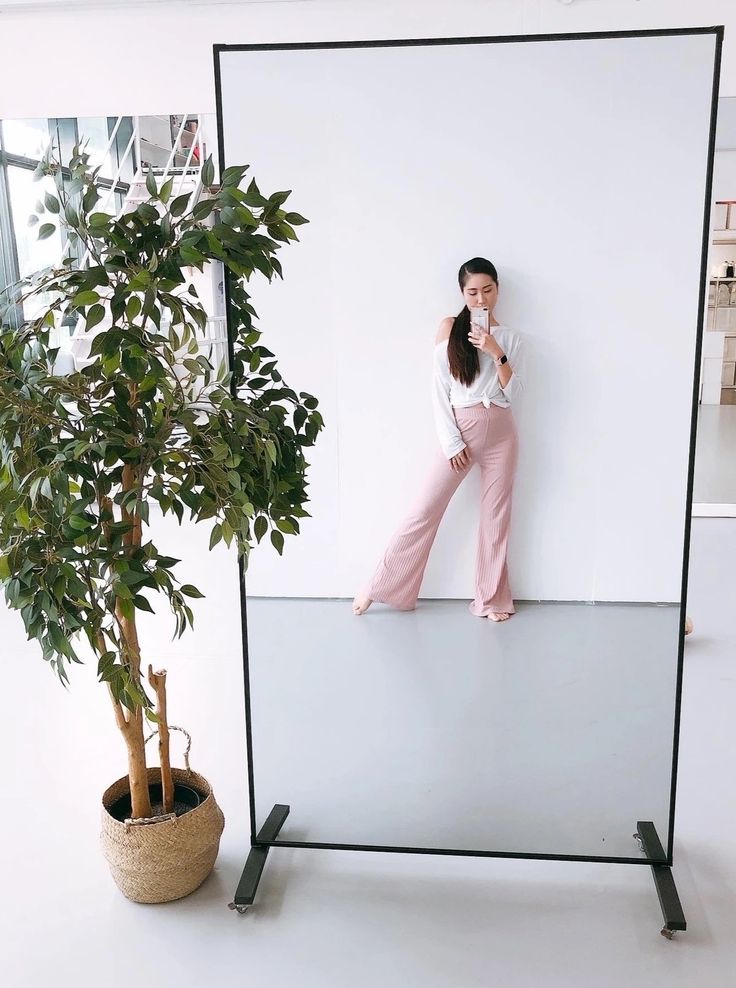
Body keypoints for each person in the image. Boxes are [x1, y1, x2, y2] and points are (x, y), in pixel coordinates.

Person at [352, 257, 523, 622]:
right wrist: (451, 442)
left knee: (496, 518)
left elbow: (514, 394)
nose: (481, 299)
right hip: (463, 427)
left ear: (498, 290)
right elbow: (438, 389)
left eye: (488, 290)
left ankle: (490, 601)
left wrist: (496, 352)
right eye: (473, 292)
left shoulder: (509, 338)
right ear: (462, 293)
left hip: (502, 433)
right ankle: (379, 585)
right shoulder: (448, 328)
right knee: (425, 509)